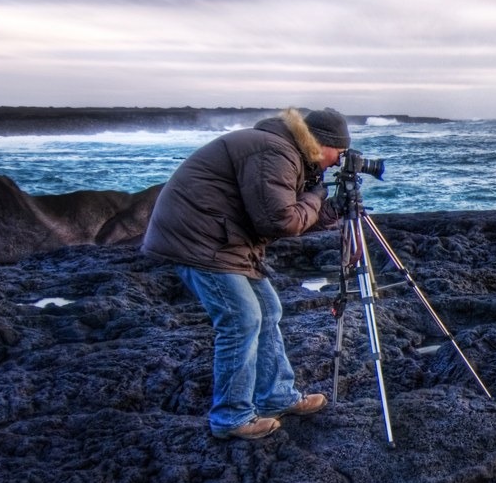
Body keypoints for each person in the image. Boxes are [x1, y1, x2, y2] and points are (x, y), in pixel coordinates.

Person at [144, 108, 350, 440]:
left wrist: (326, 207)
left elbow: (284, 212)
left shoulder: (283, 151)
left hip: (225, 239)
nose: (337, 163)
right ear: (322, 144)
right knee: (242, 321)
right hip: (201, 241)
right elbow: (280, 221)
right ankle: (230, 417)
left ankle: (276, 396)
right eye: (338, 155)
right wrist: (314, 196)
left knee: (268, 311)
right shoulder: (275, 151)